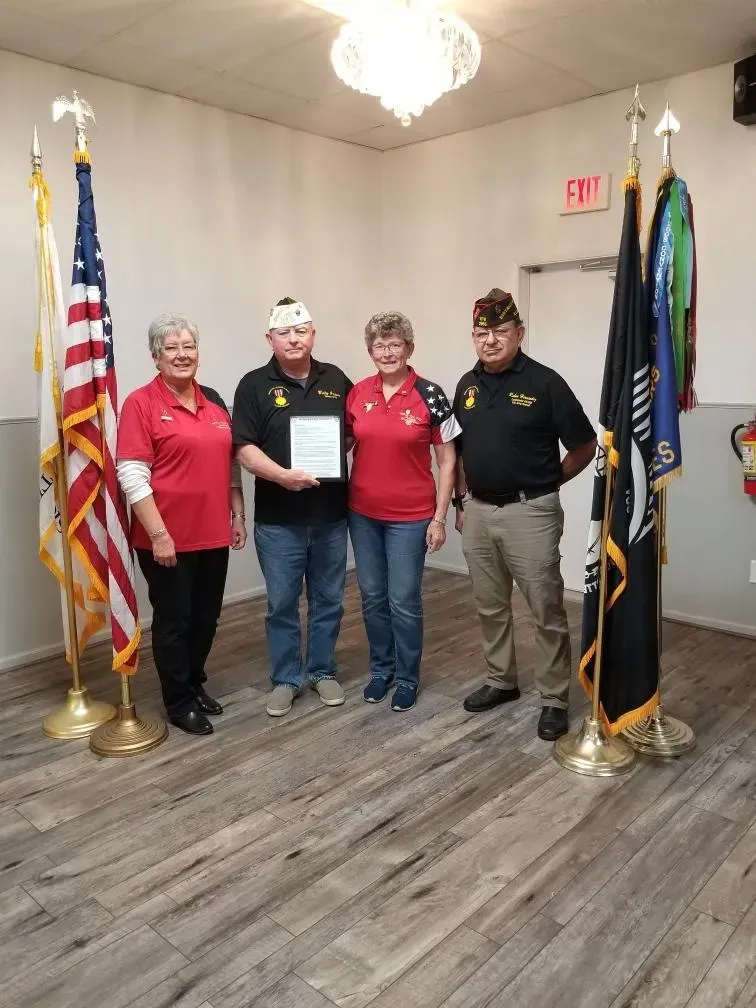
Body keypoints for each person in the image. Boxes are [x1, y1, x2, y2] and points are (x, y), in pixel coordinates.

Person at [452, 289, 597, 740]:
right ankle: (501, 681)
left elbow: (585, 446)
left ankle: (554, 698)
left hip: (529, 512)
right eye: (481, 333)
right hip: (477, 511)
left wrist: (546, 483)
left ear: (519, 333)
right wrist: (460, 502)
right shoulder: (466, 385)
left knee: (545, 608)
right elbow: (455, 451)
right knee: (490, 606)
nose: (490, 340)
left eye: (499, 331)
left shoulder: (545, 383)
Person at [117, 313, 247, 736]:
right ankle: (178, 701)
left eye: (188, 346)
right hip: (165, 538)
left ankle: (194, 683)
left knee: (206, 617)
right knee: (174, 620)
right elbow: (132, 474)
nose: (181, 355)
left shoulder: (213, 400)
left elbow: (230, 463)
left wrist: (237, 514)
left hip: (212, 533)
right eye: (171, 348)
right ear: (156, 357)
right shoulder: (141, 403)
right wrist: (158, 534)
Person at [232, 297, 351, 718]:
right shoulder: (252, 384)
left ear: (313, 334)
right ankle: (286, 677)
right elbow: (244, 449)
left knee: (328, 600)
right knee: (281, 604)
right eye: (284, 332)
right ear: (270, 339)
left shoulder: (337, 377)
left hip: (331, 517)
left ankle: (321, 670)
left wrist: (330, 456)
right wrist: (283, 476)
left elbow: (353, 433)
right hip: (279, 520)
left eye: (301, 331)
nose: (294, 338)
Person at [346, 311, 460, 712]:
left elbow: (448, 461)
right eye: (379, 345)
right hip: (362, 513)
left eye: (395, 344)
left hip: (411, 517)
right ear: (370, 350)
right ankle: (382, 670)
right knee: (372, 596)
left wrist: (440, 517)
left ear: (409, 348)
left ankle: (408, 677)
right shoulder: (357, 393)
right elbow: (339, 445)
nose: (387, 352)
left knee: (403, 600)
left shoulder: (431, 395)